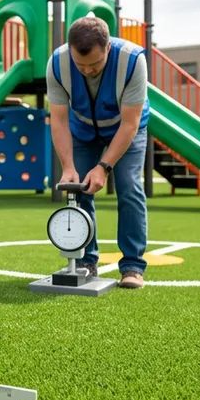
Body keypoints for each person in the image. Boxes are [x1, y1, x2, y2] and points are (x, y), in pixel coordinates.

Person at [47, 16, 150, 289]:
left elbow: (130, 123)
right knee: (78, 188)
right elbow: (57, 120)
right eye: (80, 65)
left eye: (94, 64)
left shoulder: (132, 61)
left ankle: (132, 266)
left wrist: (103, 167)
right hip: (81, 128)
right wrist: (68, 165)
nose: (87, 71)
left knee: (129, 186)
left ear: (108, 48)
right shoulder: (57, 64)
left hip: (125, 128)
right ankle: (85, 262)